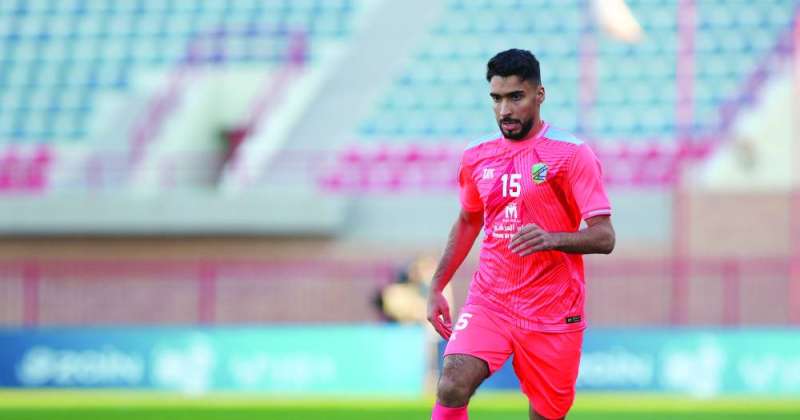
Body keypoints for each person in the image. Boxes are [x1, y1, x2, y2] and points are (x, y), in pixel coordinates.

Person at [427, 49, 615, 420]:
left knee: (545, 415)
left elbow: (604, 236)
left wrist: (553, 238)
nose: (504, 110)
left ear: (539, 95)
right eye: (496, 99)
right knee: (451, 383)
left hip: (553, 312)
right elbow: (468, 221)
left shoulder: (570, 155)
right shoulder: (477, 156)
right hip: (491, 301)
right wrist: (437, 286)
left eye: (516, 97)